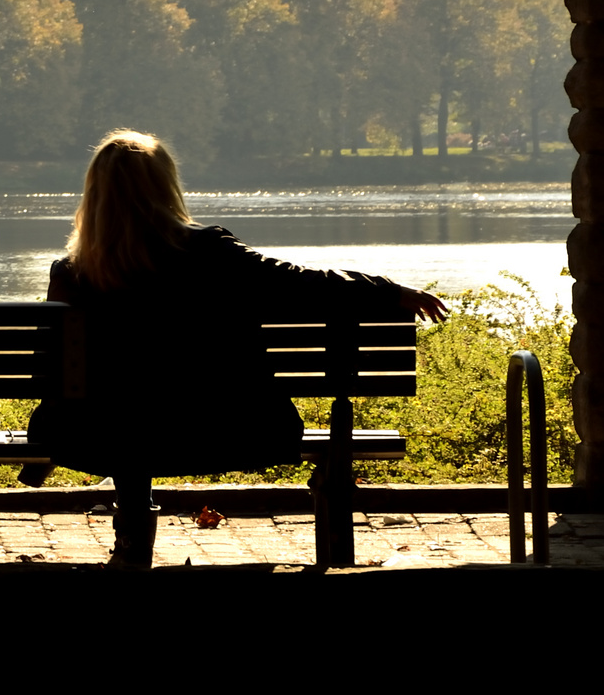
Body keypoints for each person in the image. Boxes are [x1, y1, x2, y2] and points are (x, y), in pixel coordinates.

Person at [32, 129, 447, 571]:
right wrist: (388, 292)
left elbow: (50, 366)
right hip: (231, 430)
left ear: (95, 193)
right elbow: (303, 284)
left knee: (127, 412)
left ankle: (133, 540)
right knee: (139, 411)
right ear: (165, 186)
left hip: (96, 438)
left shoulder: (72, 274)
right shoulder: (212, 252)